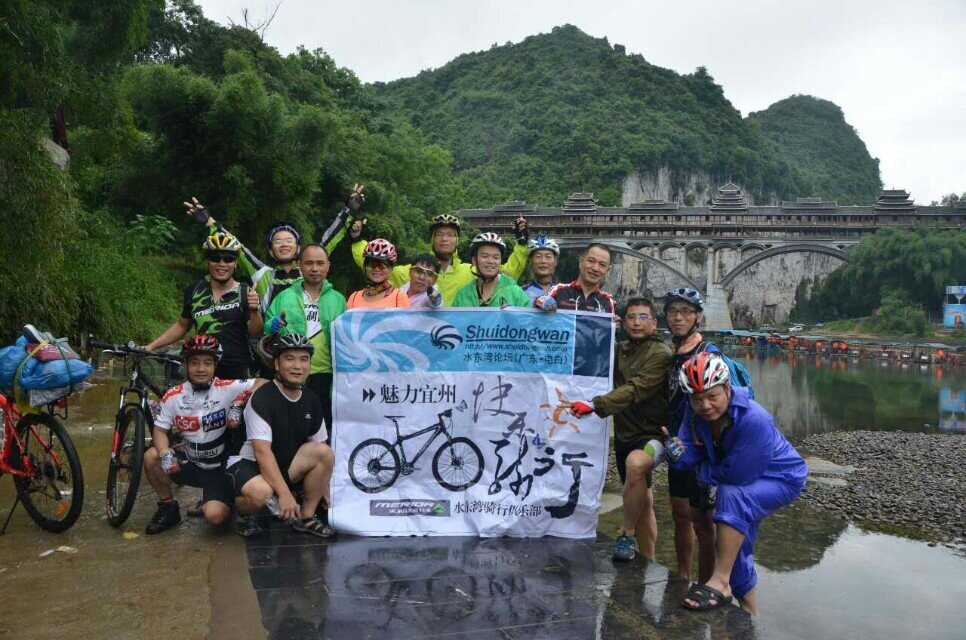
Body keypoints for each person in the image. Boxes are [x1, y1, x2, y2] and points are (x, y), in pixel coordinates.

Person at [666, 352, 807, 614]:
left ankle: (721, 582)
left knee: (731, 496)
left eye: (712, 396)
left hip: (782, 477)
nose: (705, 405)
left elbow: (739, 476)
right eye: (696, 399)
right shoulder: (693, 412)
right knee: (734, 543)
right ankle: (749, 612)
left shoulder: (754, 419)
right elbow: (690, 451)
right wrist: (676, 455)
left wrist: (703, 470)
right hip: (739, 474)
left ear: (727, 389)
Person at [565, 297, 671, 562]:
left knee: (637, 464)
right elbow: (583, 354)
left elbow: (635, 389)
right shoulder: (618, 350)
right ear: (623, 322)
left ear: (654, 323)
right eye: (631, 317)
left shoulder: (660, 353)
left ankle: (627, 533)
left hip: (652, 435)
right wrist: (601, 329)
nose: (637, 322)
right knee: (643, 502)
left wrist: (595, 405)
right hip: (624, 435)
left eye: (644, 317)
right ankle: (649, 562)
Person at [142, 335, 267, 534]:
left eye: (207, 363)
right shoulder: (173, 396)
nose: (201, 369)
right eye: (194, 363)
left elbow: (264, 382)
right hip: (190, 463)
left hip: (219, 470)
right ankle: (168, 507)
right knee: (151, 456)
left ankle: (229, 500)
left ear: (215, 366)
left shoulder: (227, 388)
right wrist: (165, 453)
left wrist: (240, 401)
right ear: (186, 365)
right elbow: (159, 431)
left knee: (215, 516)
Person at [184, 184, 365, 312]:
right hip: (268, 347)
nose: (284, 244)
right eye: (278, 242)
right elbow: (238, 247)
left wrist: (348, 210)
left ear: (298, 248)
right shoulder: (262, 274)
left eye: (289, 241)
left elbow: (327, 242)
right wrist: (209, 221)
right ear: (270, 250)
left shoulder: (308, 270)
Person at [227, 333, 336, 538]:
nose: (297, 366)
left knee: (324, 452)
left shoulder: (311, 399)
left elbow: (320, 444)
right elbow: (262, 452)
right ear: (277, 364)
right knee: (262, 495)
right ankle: (240, 509)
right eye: (290, 359)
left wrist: (324, 488)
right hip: (250, 464)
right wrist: (285, 494)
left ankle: (306, 517)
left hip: (285, 463)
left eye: (304, 359)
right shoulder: (262, 398)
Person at [146, 232, 262, 379]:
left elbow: (255, 332)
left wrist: (254, 309)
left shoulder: (245, 291)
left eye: (228, 259)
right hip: (203, 372)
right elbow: (182, 326)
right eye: (215, 258)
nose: (221, 264)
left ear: (235, 263)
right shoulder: (194, 291)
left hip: (239, 372)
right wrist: (150, 347)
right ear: (207, 261)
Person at [349, 214, 530, 305]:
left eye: (450, 235)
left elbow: (504, 272)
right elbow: (377, 266)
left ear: (457, 241)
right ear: (432, 239)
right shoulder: (414, 271)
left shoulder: (470, 271)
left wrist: (521, 244)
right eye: (440, 234)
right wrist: (357, 239)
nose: (445, 239)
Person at [264, 244, 346, 439]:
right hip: (291, 371)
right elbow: (267, 328)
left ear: (328, 266)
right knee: (289, 427)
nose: (314, 268)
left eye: (320, 263)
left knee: (322, 428)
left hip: (325, 373)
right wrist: (272, 325)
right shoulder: (285, 296)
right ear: (300, 266)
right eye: (309, 263)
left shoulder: (339, 300)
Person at [663, 287, 717, 582]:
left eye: (685, 312)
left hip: (700, 447)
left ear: (698, 317)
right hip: (676, 444)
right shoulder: (672, 352)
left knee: (704, 521)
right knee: (680, 513)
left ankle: (708, 583)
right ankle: (682, 576)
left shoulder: (707, 352)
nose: (678, 318)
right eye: (673, 312)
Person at [451, 233, 531, 308]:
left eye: (496, 257)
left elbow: (529, 317)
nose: (490, 261)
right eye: (485, 256)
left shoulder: (515, 293)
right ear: (474, 260)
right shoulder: (462, 295)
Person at [535, 243, 614, 314]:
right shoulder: (558, 290)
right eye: (591, 261)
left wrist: (614, 323)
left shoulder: (608, 302)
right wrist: (540, 302)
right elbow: (536, 307)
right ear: (580, 262)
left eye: (602, 265)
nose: (595, 268)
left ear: (608, 270)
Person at [347, 239, 411, 309]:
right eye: (372, 264)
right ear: (365, 266)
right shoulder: (354, 298)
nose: (377, 269)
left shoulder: (399, 297)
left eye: (382, 265)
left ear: (391, 269)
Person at [521, 235, 560, 303]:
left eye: (548, 257)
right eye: (538, 256)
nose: (543, 261)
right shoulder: (521, 292)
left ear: (555, 262)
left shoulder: (565, 291)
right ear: (530, 261)